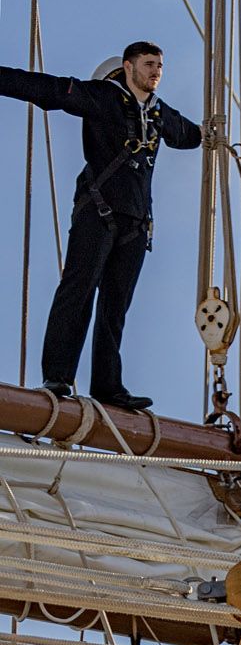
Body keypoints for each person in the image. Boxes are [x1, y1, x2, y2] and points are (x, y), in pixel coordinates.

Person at [0, 42, 203, 410]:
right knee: (77, 291)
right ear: (127, 68)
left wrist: (210, 134)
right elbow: (46, 89)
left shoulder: (158, 114)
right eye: (148, 64)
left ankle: (108, 386)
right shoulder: (101, 98)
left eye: (159, 65)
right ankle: (58, 376)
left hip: (137, 223)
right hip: (99, 212)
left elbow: (186, 135)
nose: (156, 70)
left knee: (115, 306)